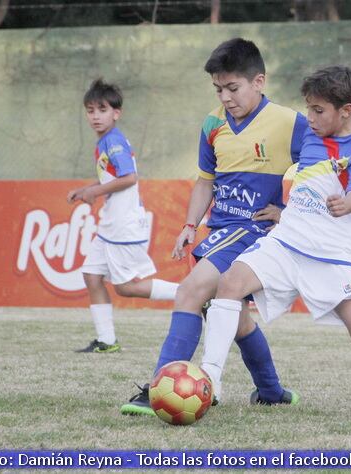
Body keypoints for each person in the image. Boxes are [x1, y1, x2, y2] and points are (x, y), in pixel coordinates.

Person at [199, 66, 351, 421]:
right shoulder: (310, 134)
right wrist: (282, 210)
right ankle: (210, 379)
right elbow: (301, 180)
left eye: (318, 111)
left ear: (345, 111)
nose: (310, 118)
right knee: (229, 284)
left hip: (331, 255)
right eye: (308, 108)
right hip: (286, 242)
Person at [120, 38, 308, 415]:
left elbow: (319, 172)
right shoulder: (212, 123)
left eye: (233, 88)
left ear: (259, 81)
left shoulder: (290, 123)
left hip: (253, 231)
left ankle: (157, 387)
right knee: (234, 317)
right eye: (218, 89)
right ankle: (271, 391)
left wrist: (287, 211)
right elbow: (205, 180)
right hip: (218, 231)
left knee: (189, 292)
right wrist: (190, 224)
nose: (225, 97)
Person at [68, 79, 179, 353]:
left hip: (123, 225)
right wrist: (91, 190)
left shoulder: (113, 141)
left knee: (127, 287)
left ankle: (192, 294)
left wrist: (93, 191)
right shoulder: (106, 141)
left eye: (102, 109)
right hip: (110, 224)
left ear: (116, 113)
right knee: (92, 275)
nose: (95, 116)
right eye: (91, 110)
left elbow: (130, 177)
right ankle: (106, 341)